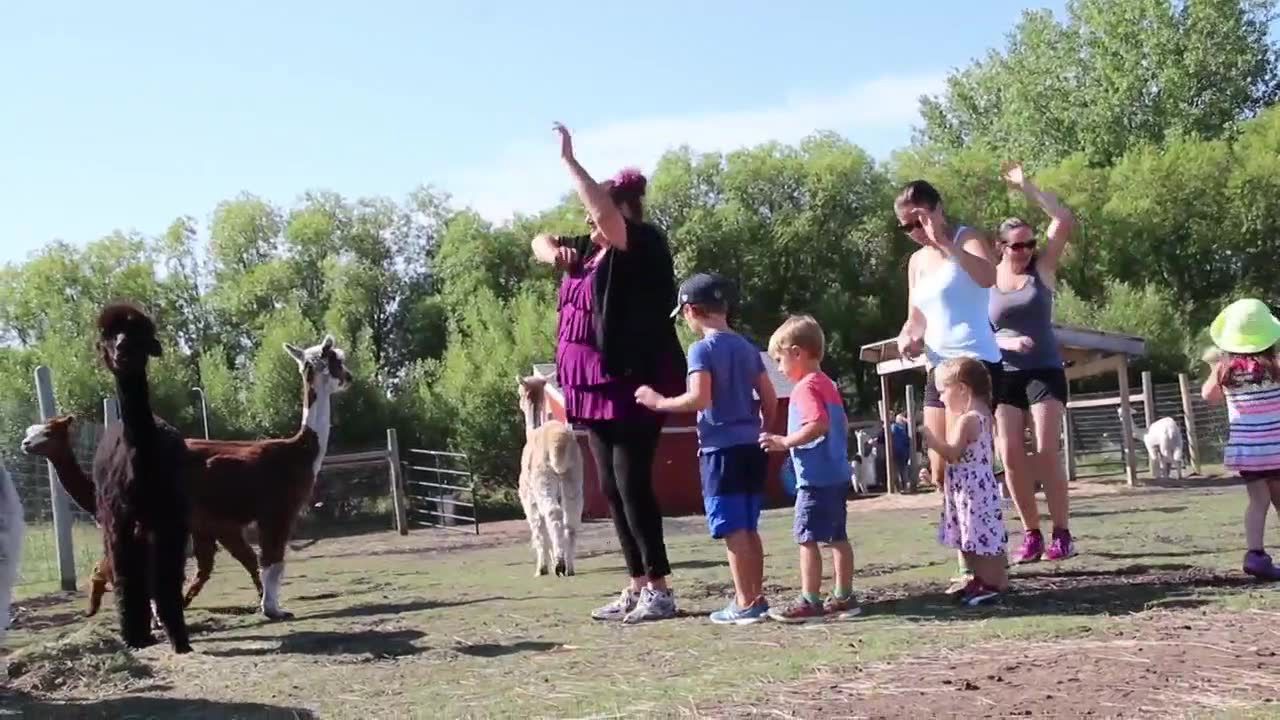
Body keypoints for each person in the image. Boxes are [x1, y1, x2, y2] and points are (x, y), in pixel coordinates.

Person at [531, 123, 686, 623]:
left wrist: (570, 164)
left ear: (621, 210)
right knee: (612, 490)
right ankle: (637, 583)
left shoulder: (640, 242)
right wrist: (555, 253)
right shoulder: (593, 247)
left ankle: (659, 588)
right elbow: (538, 240)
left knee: (632, 482)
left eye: (597, 212)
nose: (588, 221)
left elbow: (601, 211)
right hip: (589, 387)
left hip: (632, 381)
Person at [636, 273, 778, 624]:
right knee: (748, 526)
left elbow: (700, 397)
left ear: (692, 310)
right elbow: (770, 395)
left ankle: (745, 603)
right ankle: (755, 596)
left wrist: (659, 402)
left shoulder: (702, 349)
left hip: (721, 452)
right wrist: (764, 428)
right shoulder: (746, 346)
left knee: (732, 529)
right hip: (750, 447)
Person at [989, 162, 1077, 563]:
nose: (1025, 251)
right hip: (1004, 374)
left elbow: (1063, 219)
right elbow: (978, 331)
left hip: (1043, 369)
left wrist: (1027, 186)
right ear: (1000, 247)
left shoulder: (1042, 270)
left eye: (1028, 244)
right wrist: (1003, 339)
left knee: (1045, 451)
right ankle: (1031, 533)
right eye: (1017, 245)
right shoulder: (985, 280)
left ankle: (1062, 532)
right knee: (1008, 454)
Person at [893, 180, 1001, 503]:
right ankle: (964, 540)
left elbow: (988, 278)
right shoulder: (916, 263)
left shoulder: (966, 238)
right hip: (937, 368)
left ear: (938, 209)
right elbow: (915, 320)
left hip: (973, 363)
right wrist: (907, 338)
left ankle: (983, 543)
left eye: (919, 220)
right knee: (939, 470)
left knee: (964, 462)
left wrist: (945, 244)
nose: (915, 230)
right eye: (906, 227)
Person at [759, 315, 860, 623]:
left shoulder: (805, 388)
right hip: (836, 475)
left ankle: (810, 600)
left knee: (807, 537)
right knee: (837, 537)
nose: (779, 368)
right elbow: (839, 424)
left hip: (815, 480)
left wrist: (786, 441)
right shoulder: (828, 384)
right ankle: (843, 596)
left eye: (779, 359)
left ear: (797, 352)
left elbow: (819, 424)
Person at [1200, 298, 1280, 581]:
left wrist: (1216, 368)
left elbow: (1207, 396)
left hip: (1249, 451)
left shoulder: (1226, 371)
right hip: (1277, 447)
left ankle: (1255, 555)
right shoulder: (1277, 366)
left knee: (1258, 502)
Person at [921, 357, 1009, 605]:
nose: (940, 398)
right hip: (977, 488)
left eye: (943, 391)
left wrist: (931, 439)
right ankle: (986, 580)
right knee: (981, 534)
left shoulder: (968, 420)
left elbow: (953, 453)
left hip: (973, 493)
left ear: (962, 388)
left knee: (978, 535)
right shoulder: (984, 416)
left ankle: (990, 583)